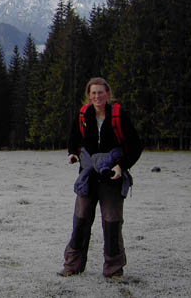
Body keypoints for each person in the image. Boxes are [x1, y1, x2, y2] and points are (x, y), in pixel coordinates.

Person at [58, 77, 142, 279]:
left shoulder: (119, 117)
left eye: (100, 93)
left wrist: (122, 166)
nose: (97, 96)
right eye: (93, 93)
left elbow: (135, 146)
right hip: (88, 177)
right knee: (80, 221)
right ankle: (72, 265)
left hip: (111, 178)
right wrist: (72, 153)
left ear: (108, 94)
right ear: (89, 95)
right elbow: (74, 139)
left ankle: (113, 270)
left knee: (112, 223)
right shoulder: (82, 115)